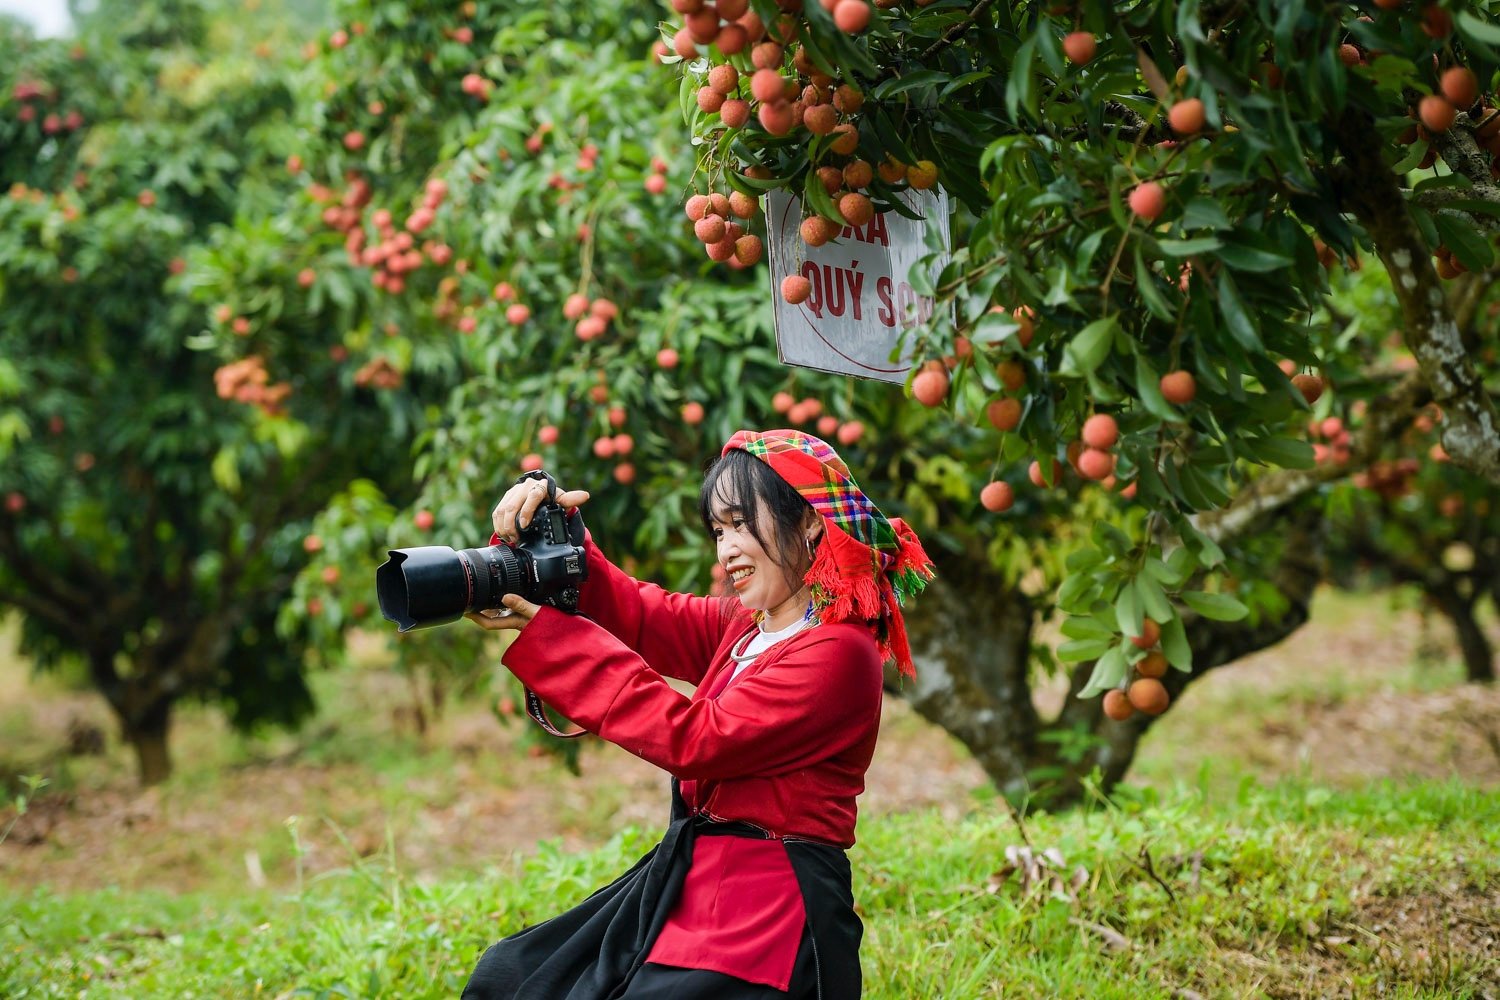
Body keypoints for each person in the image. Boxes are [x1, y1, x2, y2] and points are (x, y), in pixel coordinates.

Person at [461, 428, 935, 999]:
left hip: (771, 906)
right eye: (718, 529)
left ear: (811, 521)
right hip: (694, 879)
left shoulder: (839, 651)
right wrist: (558, 541)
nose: (726, 548)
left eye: (741, 523)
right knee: (513, 976)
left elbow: (695, 738)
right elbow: (639, 614)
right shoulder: (748, 625)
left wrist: (554, 639)